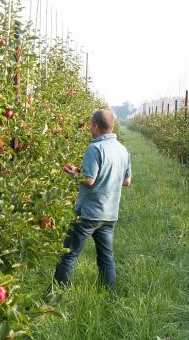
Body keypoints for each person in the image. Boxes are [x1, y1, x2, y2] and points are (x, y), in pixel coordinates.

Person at [54, 109, 132, 290]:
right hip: (110, 213)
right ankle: (108, 291)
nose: (90, 127)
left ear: (96, 126)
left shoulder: (95, 148)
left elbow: (89, 181)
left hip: (88, 213)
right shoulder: (122, 150)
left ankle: (56, 293)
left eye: (91, 124)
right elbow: (127, 181)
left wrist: (73, 174)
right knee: (106, 256)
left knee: (68, 255)